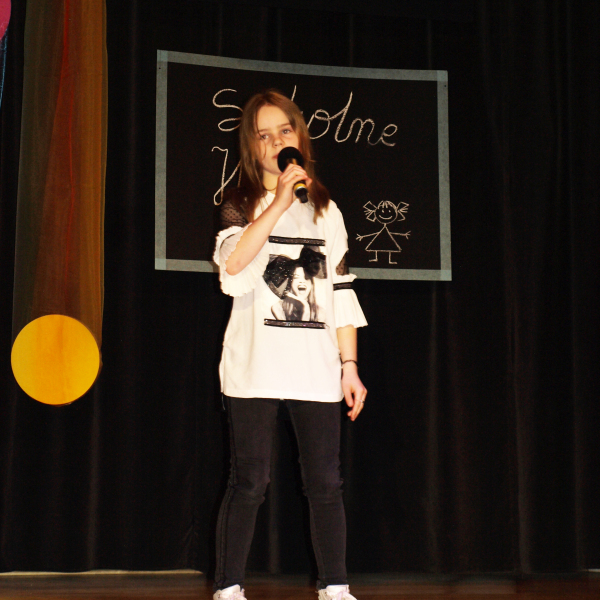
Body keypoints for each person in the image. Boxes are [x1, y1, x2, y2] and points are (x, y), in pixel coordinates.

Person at [212, 89, 368, 600]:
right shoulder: (239, 204)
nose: (277, 142)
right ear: (252, 148)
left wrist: (349, 365)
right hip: (254, 366)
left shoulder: (328, 211)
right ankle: (229, 588)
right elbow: (233, 269)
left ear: (300, 137)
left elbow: (341, 289)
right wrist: (278, 203)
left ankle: (335, 588)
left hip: (314, 366)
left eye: (285, 131)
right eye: (264, 135)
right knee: (249, 481)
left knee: (326, 483)